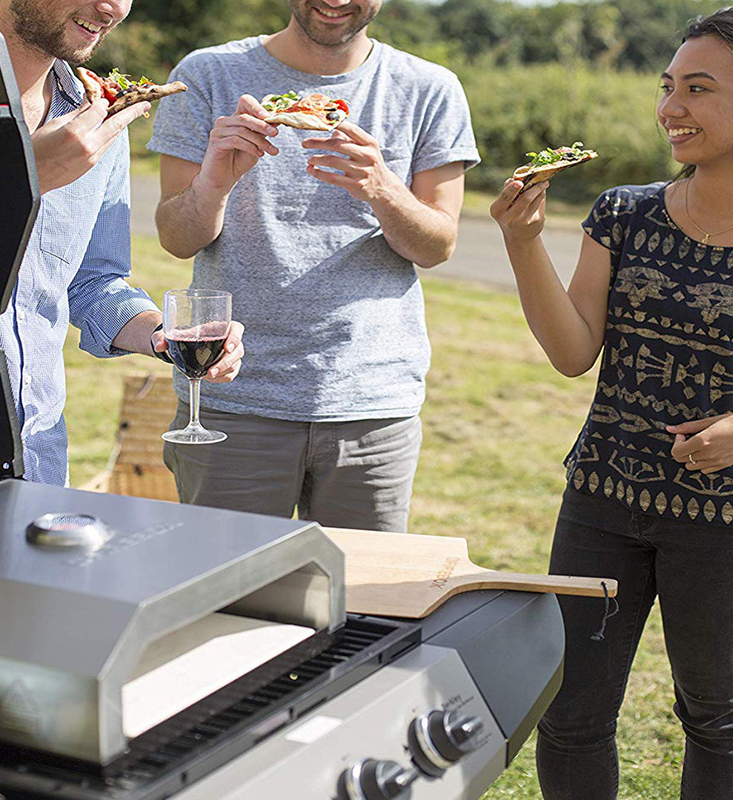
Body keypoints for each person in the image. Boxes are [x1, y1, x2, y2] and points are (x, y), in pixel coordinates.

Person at [490, 8, 733, 799]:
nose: (671, 108)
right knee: (571, 715)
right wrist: (524, 243)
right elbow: (572, 352)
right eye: (668, 87)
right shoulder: (623, 213)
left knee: (720, 724)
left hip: (723, 525)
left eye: (698, 88)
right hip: (601, 500)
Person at [149, 0, 480, 532]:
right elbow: (176, 238)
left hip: (371, 405)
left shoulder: (429, 87)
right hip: (235, 395)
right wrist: (215, 181)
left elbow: (437, 245)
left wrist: (382, 189)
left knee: (364, 603)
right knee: (230, 597)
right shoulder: (208, 74)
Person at [0, 0, 243, 493]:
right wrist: (17, 178)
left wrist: (164, 335)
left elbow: (92, 282)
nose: (114, 7)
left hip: (36, 461)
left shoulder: (97, 114)